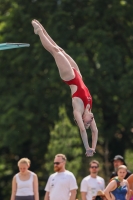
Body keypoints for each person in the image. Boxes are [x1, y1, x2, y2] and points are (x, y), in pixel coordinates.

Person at [31, 19, 98, 157]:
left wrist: (87, 148)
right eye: (91, 121)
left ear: (82, 119)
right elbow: (95, 131)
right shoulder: (89, 110)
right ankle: (42, 29)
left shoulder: (78, 111)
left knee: (55, 51)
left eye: (88, 122)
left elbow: (83, 131)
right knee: (59, 49)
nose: (91, 121)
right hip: (78, 73)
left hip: (70, 77)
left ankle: (38, 32)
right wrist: (94, 147)